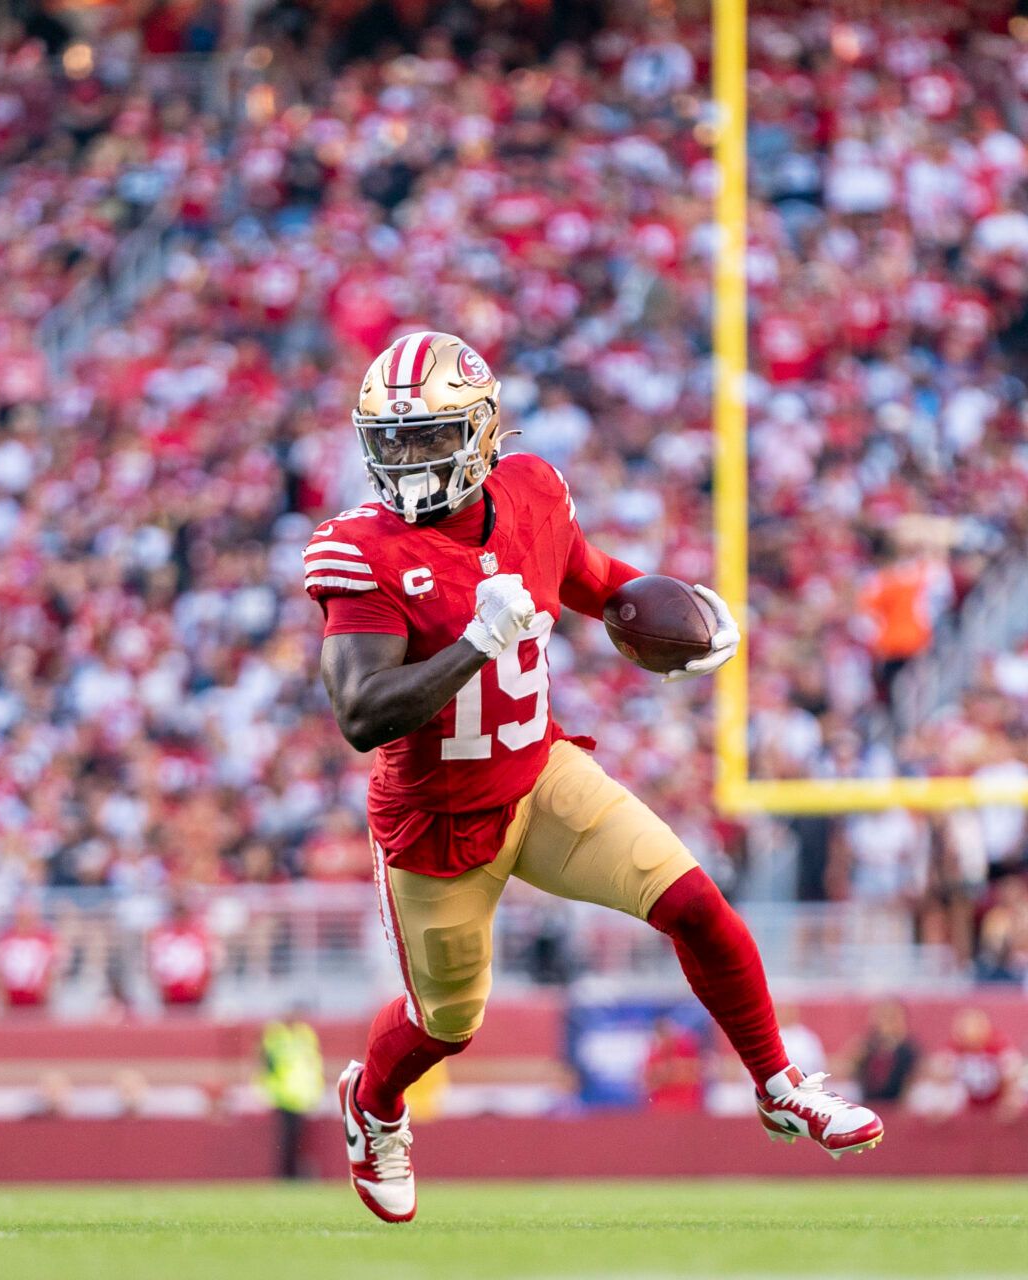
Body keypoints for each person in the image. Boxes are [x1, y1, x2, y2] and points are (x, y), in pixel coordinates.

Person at [310, 331, 884, 1225]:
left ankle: (780, 1083)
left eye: (428, 437)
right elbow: (361, 715)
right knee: (447, 1025)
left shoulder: (533, 491)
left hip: (538, 777)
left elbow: (589, 580)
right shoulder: (364, 551)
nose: (407, 460)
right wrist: (475, 645)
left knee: (694, 902)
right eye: (392, 440)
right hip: (438, 824)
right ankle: (373, 1106)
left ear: (485, 431)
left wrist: (663, 609)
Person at [256, 1012, 323, 1179]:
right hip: (283, 1095)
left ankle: (291, 1172)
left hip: (300, 1096)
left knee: (295, 1138)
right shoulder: (276, 1036)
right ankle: (286, 1173)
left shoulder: (304, 1034)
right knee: (287, 1138)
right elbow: (266, 1064)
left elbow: (312, 1064)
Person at [851, 1000, 919, 1106]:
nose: (887, 1022)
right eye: (883, 1017)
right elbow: (850, 1068)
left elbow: (913, 1076)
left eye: (892, 1017)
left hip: (897, 1102)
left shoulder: (910, 1048)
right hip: (868, 1102)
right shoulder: (865, 1045)